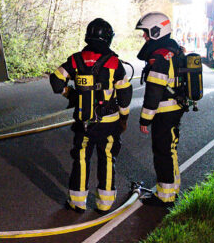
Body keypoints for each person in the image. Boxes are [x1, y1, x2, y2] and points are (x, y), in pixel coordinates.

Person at [50, 18, 132, 213]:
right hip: (109, 122)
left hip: (83, 120)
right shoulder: (114, 63)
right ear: (108, 39)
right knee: (107, 158)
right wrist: (124, 117)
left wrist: (69, 93)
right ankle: (105, 203)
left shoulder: (75, 59)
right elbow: (125, 94)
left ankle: (77, 202)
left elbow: (55, 81)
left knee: (81, 158)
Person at [135, 12, 185, 207]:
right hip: (174, 107)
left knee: (163, 152)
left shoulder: (159, 56)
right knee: (170, 151)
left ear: (156, 31)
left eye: (146, 33)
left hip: (164, 111)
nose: (144, 37)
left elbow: (154, 90)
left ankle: (165, 197)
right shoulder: (173, 50)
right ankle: (172, 190)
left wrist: (145, 119)